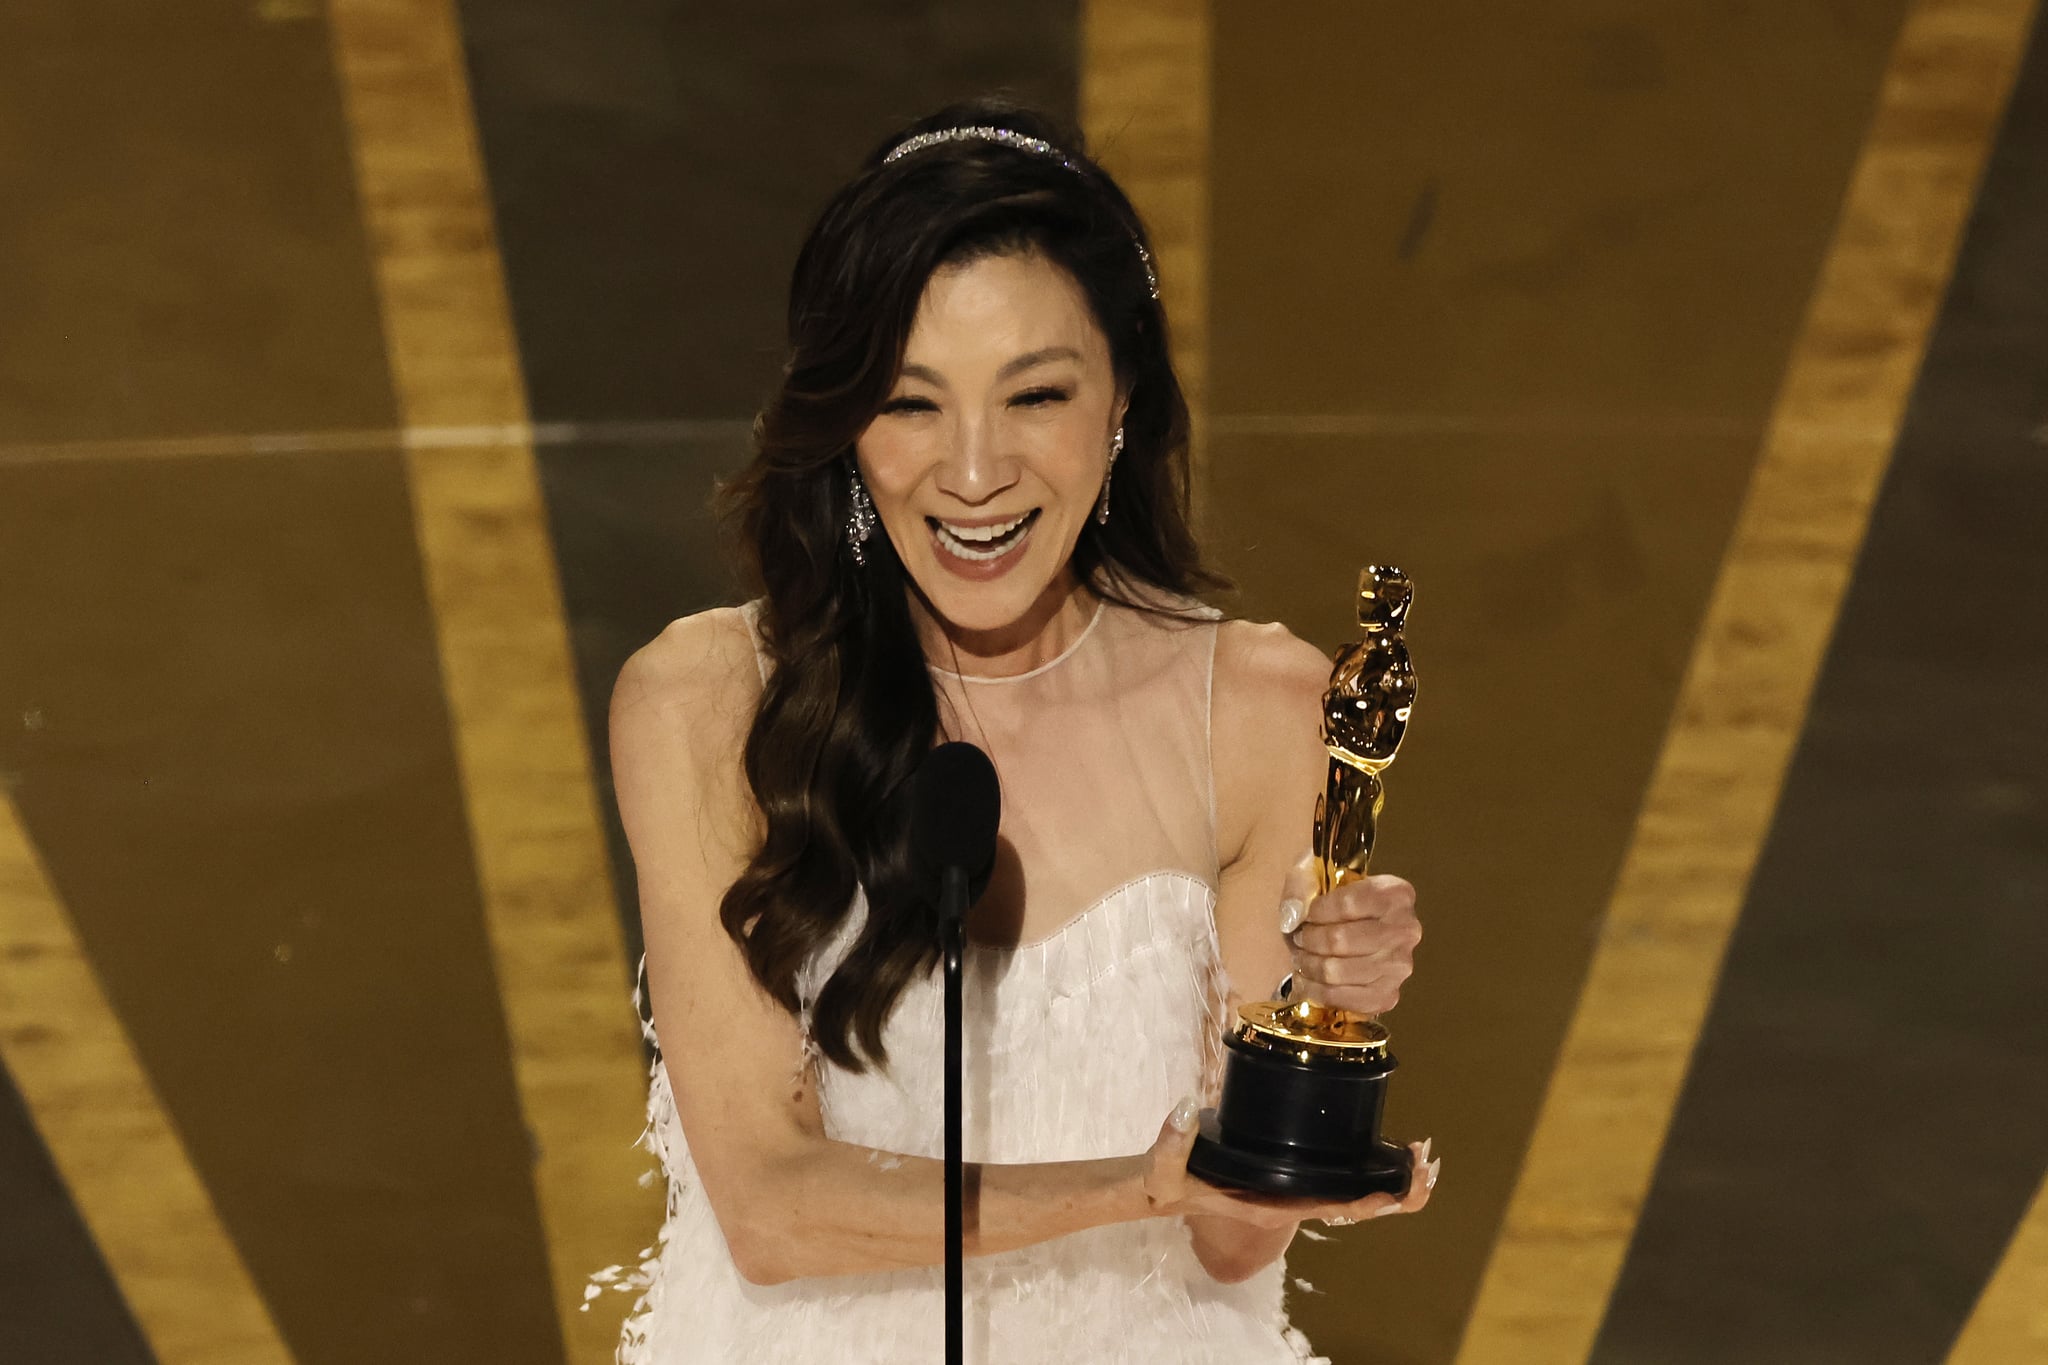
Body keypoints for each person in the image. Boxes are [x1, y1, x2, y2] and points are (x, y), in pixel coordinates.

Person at [604, 96, 1437, 1364]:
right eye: (910, 404)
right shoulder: (709, 706)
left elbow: (1228, 1242)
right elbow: (769, 1208)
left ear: (1121, 408)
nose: (976, 473)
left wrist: (1321, 1035)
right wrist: (1142, 1186)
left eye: (1035, 395)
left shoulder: (1261, 714)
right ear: (843, 434)